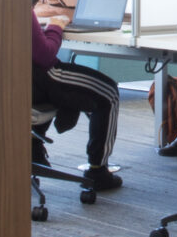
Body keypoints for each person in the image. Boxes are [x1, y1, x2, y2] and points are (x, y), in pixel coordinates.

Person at [32, 13, 120, 187]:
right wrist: (55, 26)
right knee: (108, 93)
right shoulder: (17, 3)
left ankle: (33, 148)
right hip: (40, 78)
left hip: (12, 86)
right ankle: (98, 171)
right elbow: (45, 56)